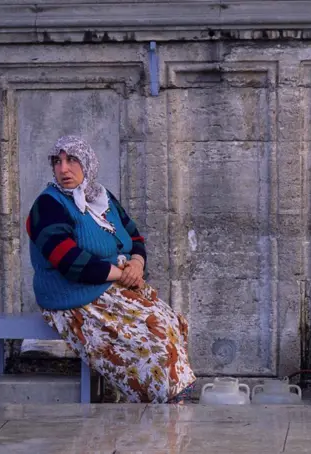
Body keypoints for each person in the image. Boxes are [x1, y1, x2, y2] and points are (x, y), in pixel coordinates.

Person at [26, 135, 196, 403]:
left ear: (88, 163)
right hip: (74, 296)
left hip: (114, 286)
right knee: (152, 340)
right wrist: (123, 274)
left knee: (173, 323)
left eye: (72, 160)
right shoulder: (48, 205)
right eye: (57, 162)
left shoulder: (102, 198)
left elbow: (134, 238)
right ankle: (158, 403)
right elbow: (68, 261)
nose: (64, 169)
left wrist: (137, 264)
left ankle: (165, 400)